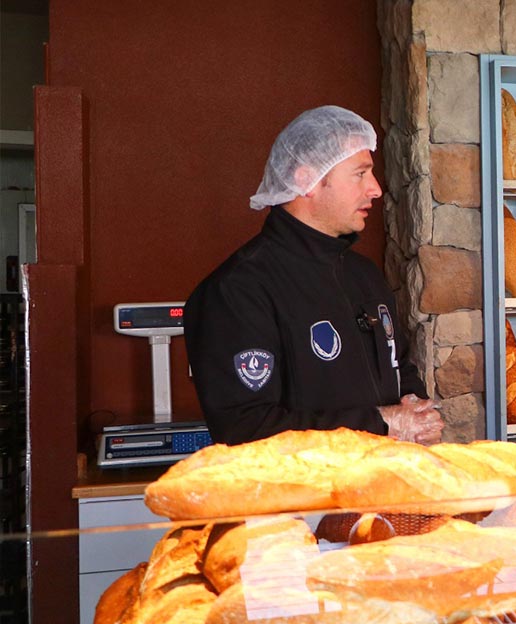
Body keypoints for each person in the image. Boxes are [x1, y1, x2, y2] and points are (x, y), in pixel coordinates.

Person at [186, 106, 442, 446]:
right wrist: (380, 423)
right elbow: (245, 428)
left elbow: (400, 366)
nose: (376, 189)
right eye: (360, 173)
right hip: (303, 499)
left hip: (383, 491)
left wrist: (413, 404)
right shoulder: (237, 290)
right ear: (307, 180)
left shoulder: (365, 276)